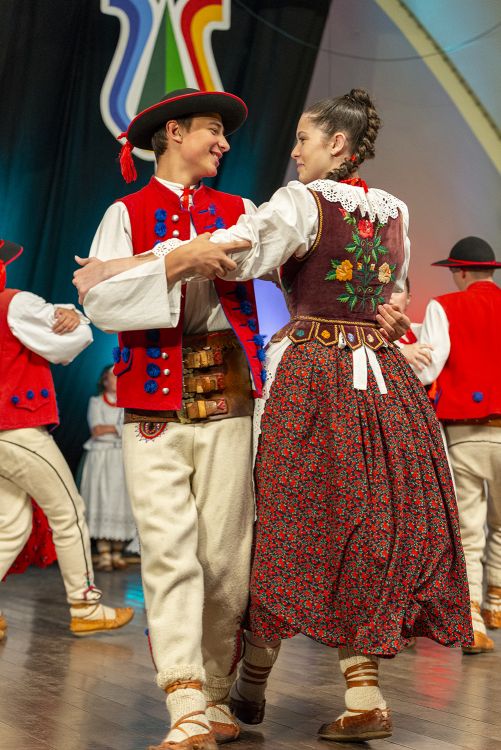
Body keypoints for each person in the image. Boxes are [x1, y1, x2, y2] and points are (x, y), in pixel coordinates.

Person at [73, 90, 429, 746]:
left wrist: (383, 303)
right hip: (153, 403)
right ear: (173, 133)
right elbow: (102, 306)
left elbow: (282, 257)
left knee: (228, 561)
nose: (225, 143)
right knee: (169, 555)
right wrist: (158, 267)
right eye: (212, 129)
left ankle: (217, 693)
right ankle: (185, 701)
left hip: (232, 401)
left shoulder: (242, 210)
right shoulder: (125, 212)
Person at [0, 238, 134, 638]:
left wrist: (69, 315)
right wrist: (76, 317)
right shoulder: (14, 303)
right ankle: (85, 605)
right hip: (16, 427)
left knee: (12, 524)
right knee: (69, 511)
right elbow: (69, 344)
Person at [416, 236, 501, 655]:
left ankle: (473, 624)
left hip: (465, 432)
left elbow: (430, 366)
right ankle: (497, 603)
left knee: (468, 529)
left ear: (461, 271)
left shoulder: (444, 306)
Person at [80, 365, 136, 571]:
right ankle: (104, 553)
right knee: (101, 499)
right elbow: (96, 430)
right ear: (104, 380)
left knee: (121, 501)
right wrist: (118, 429)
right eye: (113, 377)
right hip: (101, 458)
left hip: (120, 457)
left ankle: (117, 553)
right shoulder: (96, 402)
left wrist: (112, 429)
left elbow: (130, 429)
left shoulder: (127, 403)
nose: (116, 380)